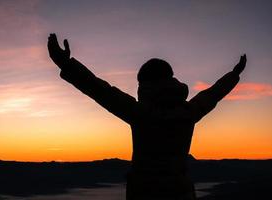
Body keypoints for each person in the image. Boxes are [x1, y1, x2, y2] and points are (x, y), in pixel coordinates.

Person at [47, 33, 247, 200]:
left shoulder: (141, 113)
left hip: (145, 193)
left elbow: (99, 90)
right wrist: (234, 74)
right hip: (181, 192)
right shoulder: (188, 112)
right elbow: (212, 94)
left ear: (145, 85)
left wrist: (65, 63)